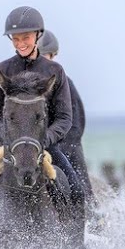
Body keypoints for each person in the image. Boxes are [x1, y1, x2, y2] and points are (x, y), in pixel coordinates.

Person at [0, 6, 87, 229]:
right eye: (16, 39)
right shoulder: (0, 70)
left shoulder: (55, 71)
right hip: (6, 146)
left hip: (45, 146)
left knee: (77, 192)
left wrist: (43, 140)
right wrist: (9, 139)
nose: (21, 43)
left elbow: (64, 119)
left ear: (37, 36)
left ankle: (77, 248)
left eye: (26, 38)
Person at [36, 29, 94, 211]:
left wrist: (55, 142)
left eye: (46, 56)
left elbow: (76, 124)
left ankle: (92, 211)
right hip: (30, 145)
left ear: (53, 56)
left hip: (62, 144)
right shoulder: (25, 81)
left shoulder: (65, 83)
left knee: (79, 186)